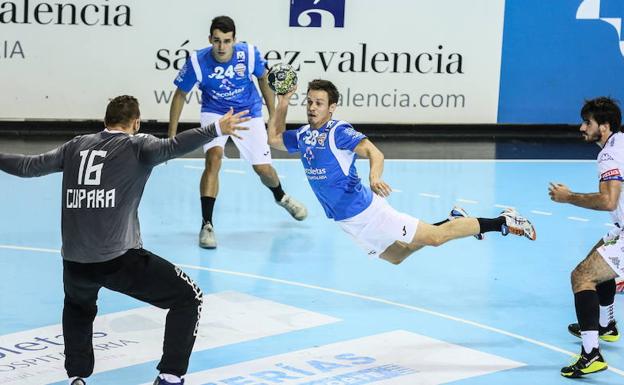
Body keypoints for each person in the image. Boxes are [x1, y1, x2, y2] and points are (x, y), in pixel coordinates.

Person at [0, 96, 249, 385]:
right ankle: (170, 376)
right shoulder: (136, 145)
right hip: (118, 259)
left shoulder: (75, 146)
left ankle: (77, 377)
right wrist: (216, 128)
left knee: (79, 308)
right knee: (188, 297)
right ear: (136, 122)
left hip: (75, 261)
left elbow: (29, 166)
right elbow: (172, 147)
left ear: (105, 121)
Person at [267, 79, 536, 266]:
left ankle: (502, 220)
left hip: (366, 210)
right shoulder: (303, 135)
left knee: (435, 239)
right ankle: (452, 220)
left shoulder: (338, 131)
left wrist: (374, 176)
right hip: (346, 219)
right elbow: (275, 139)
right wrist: (283, 101)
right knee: (398, 256)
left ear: (332, 107)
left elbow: (375, 152)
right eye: (309, 102)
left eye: (319, 103)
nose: (312, 107)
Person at [168, 15, 307, 249]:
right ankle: (207, 224)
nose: (221, 47)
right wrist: (171, 135)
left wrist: (272, 114)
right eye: (217, 41)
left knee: (263, 169)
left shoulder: (249, 54)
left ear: (234, 40)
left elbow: (263, 78)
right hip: (215, 113)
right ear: (209, 39)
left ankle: (281, 197)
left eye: (226, 41)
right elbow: (180, 94)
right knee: (213, 160)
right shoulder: (197, 61)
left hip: (248, 112)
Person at [549, 96, 622, 378]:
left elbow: (608, 201)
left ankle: (591, 353)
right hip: (621, 228)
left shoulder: (609, 155)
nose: (582, 127)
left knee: (581, 277)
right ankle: (606, 325)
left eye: (587, 122)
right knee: (599, 255)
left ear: (604, 126)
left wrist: (569, 198)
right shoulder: (620, 143)